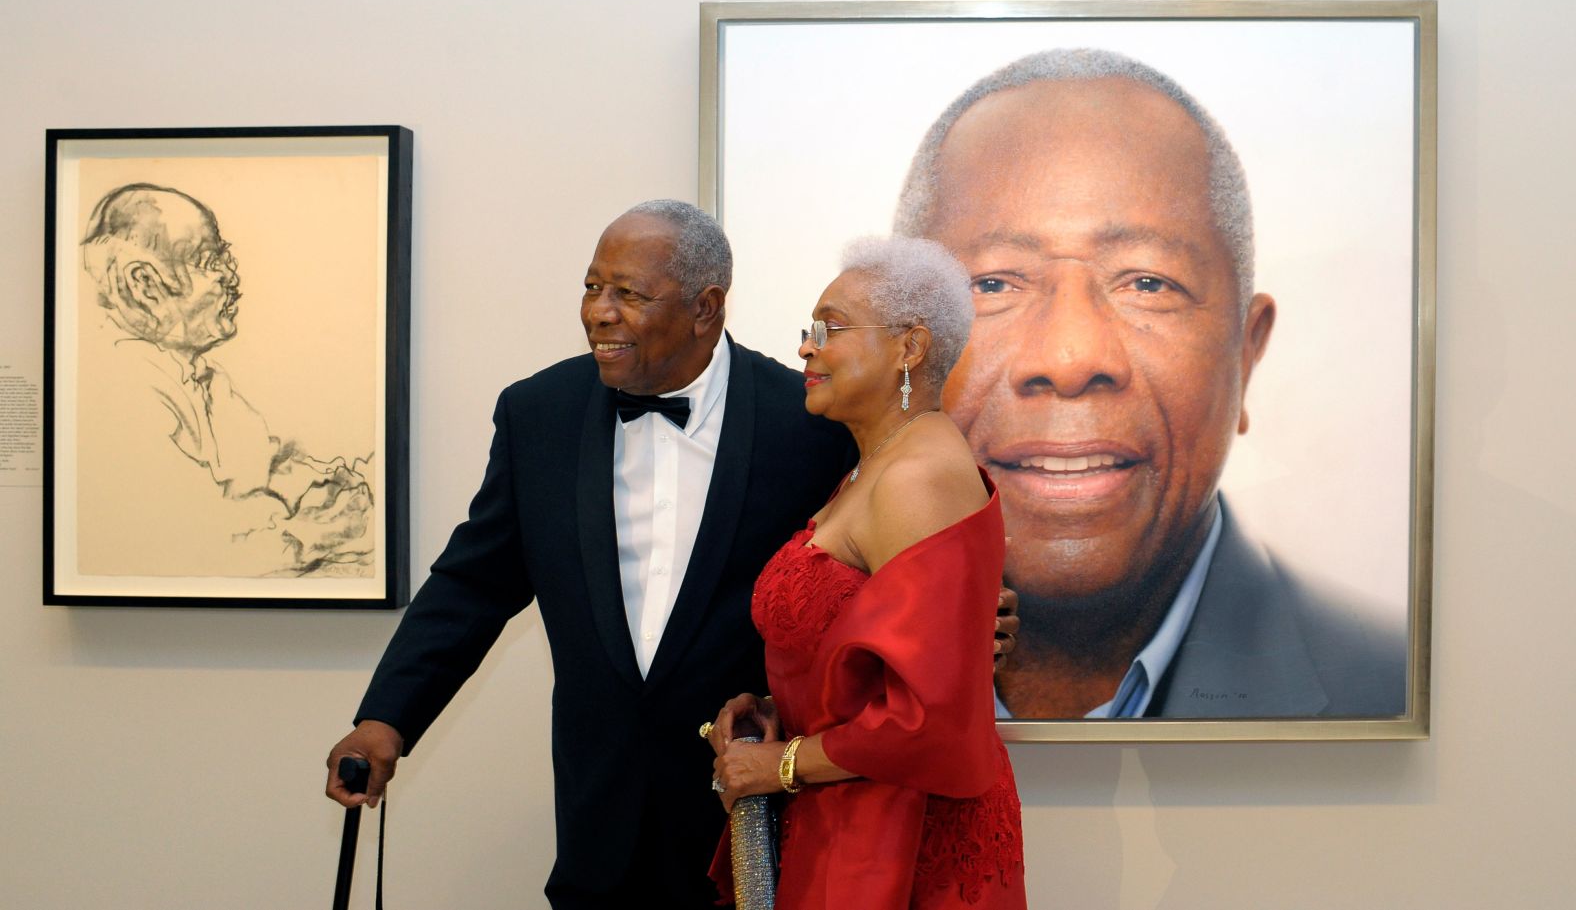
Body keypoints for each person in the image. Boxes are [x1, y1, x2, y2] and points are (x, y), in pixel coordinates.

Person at [323, 203, 1017, 909]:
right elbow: (473, 582)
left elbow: (909, 580)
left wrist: (980, 617)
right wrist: (388, 716)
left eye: (628, 293)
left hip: (762, 830)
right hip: (600, 820)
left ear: (705, 308)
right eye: (592, 287)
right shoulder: (540, 414)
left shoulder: (810, 421)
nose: (599, 312)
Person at [894, 48, 1407, 720]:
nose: (1070, 357)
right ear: (899, 354)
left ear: (1246, 354)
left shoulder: (1384, 689)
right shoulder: (786, 679)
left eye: (1147, 282)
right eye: (990, 283)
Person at [707, 236, 1024, 910]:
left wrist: (782, 763)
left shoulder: (920, 478)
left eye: (831, 328)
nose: (806, 348)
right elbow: (863, 659)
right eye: (808, 330)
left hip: (906, 837)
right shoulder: (870, 467)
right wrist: (775, 712)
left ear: (910, 347)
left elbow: (928, 718)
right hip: (857, 812)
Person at [78, 182, 373, 577]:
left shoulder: (205, 379)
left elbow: (267, 468)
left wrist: (328, 482)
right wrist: (320, 530)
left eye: (224, 258)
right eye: (208, 262)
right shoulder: (123, 390)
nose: (231, 278)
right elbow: (196, 548)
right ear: (144, 285)